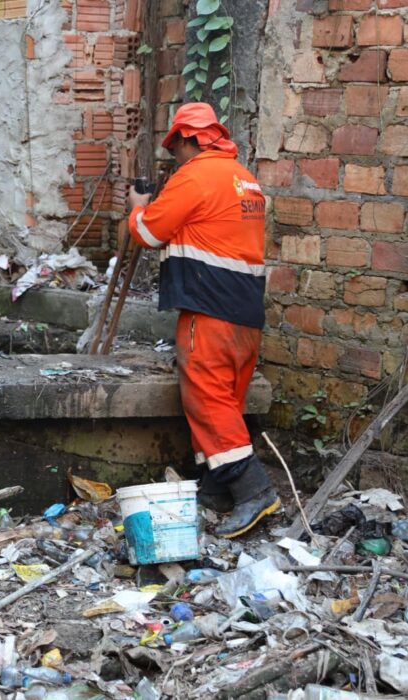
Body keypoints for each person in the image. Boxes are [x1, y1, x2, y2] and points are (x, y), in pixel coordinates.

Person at [126, 102, 280, 538]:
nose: (174, 156)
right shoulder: (244, 179)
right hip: (246, 312)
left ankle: (255, 491)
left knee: (208, 402)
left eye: (176, 147)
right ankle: (216, 487)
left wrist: (137, 207)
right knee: (227, 400)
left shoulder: (193, 176)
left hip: (208, 309)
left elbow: (150, 233)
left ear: (190, 140)